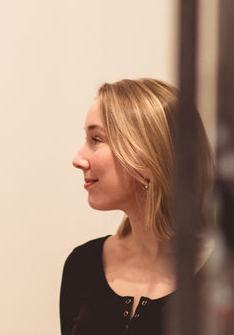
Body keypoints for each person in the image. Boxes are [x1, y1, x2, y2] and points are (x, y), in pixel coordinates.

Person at [60, 78, 214, 335]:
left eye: (96, 139)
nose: (78, 159)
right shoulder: (82, 265)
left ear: (147, 155)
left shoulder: (221, 277)